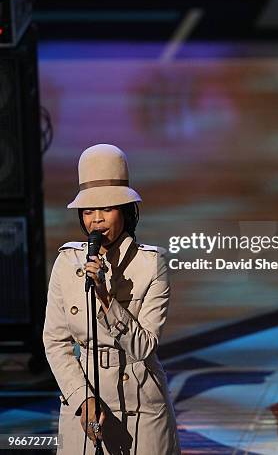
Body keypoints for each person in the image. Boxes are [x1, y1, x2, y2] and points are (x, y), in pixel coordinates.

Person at [43, 144, 181, 454]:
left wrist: (106, 299)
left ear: (126, 211)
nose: (96, 220)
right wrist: (82, 398)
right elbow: (55, 341)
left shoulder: (151, 264)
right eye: (89, 210)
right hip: (86, 404)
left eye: (107, 208)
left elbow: (144, 346)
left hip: (141, 405)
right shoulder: (67, 262)